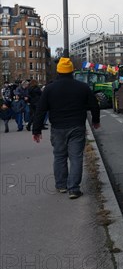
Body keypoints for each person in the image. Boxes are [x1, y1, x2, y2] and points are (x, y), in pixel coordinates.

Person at [32, 57, 101, 199]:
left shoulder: (49, 89)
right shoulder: (82, 87)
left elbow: (40, 110)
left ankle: (61, 185)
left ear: (58, 71)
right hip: (77, 126)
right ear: (71, 71)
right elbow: (94, 105)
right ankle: (74, 189)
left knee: (59, 157)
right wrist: (95, 121)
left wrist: (36, 130)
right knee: (76, 157)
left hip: (57, 128)